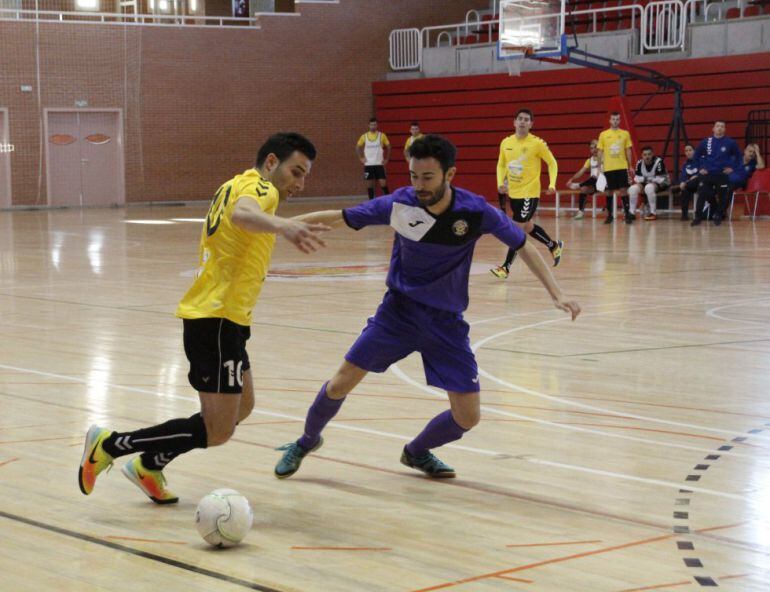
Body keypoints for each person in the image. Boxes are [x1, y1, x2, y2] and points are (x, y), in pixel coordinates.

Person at [273, 134, 581, 480]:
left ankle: (416, 452)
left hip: (446, 323)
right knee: (339, 384)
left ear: (450, 174)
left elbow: (523, 244)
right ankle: (306, 441)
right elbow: (340, 217)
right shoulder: (400, 204)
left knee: (468, 417)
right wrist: (278, 226)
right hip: (398, 314)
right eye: (414, 176)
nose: (419, 185)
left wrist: (556, 293)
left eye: (427, 177)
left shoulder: (475, 211)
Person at [78, 133, 329, 504]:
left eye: (305, 176)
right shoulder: (261, 189)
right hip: (216, 320)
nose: (300, 184)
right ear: (271, 162)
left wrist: (350, 217)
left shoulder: (236, 184)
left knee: (244, 405)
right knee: (219, 430)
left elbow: (252, 218)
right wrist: (283, 226)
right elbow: (243, 215)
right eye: (296, 172)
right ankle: (110, 444)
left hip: (227, 320)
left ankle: (150, 465)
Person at [490, 108, 563, 279]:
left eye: (526, 119)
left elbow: (552, 163)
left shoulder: (537, 143)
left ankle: (505, 267)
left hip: (529, 193)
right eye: (520, 119)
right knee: (527, 226)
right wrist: (500, 183)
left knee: (516, 229)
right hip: (514, 193)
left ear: (531, 124)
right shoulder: (506, 142)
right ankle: (553, 246)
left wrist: (552, 183)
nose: (522, 122)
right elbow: (501, 164)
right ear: (514, 122)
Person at [691, 121, 741, 227]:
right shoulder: (706, 142)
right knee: (702, 194)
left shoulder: (730, 142)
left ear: (725, 129)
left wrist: (732, 168)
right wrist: (700, 168)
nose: (720, 128)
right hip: (707, 174)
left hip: (721, 174)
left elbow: (739, 157)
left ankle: (718, 215)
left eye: (722, 126)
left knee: (723, 196)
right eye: (717, 126)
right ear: (713, 129)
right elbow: (696, 156)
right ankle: (698, 217)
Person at [596, 112, 634, 224]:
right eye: (613, 119)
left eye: (617, 119)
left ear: (620, 120)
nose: (615, 121)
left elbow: (628, 150)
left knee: (623, 190)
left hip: (621, 167)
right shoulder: (603, 134)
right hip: (608, 168)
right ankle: (610, 216)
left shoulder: (625, 134)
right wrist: (599, 167)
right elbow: (600, 151)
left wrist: (630, 165)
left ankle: (627, 214)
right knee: (608, 192)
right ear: (610, 120)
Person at [628, 146, 669, 221]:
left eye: (649, 154)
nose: (647, 157)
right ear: (642, 155)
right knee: (632, 189)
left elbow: (660, 179)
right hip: (647, 183)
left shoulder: (659, 162)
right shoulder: (639, 163)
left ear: (652, 154)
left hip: (662, 184)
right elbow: (636, 178)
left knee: (649, 187)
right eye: (645, 155)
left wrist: (645, 179)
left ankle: (653, 213)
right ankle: (631, 213)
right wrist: (648, 179)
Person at [356, 117, 391, 200]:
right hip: (368, 164)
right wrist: (361, 158)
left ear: (377, 125)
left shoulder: (382, 135)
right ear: (369, 125)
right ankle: (371, 201)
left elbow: (389, 147)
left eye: (375, 124)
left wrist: (386, 159)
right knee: (369, 184)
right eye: (371, 125)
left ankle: (389, 200)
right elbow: (357, 147)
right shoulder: (364, 136)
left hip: (379, 164)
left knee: (383, 183)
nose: (373, 126)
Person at [566, 139, 600, 220]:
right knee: (584, 189)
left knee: (595, 177)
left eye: (595, 147)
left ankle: (578, 185)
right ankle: (580, 212)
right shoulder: (589, 160)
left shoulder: (603, 158)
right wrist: (571, 179)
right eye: (592, 148)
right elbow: (581, 171)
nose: (594, 150)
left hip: (604, 184)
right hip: (594, 184)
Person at [677, 144, 699, 221]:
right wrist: (682, 182)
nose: (688, 152)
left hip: (700, 183)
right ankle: (684, 215)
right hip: (690, 184)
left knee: (688, 185)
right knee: (685, 190)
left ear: (694, 151)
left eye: (690, 150)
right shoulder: (685, 164)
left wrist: (696, 176)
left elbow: (704, 172)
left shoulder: (700, 160)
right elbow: (683, 176)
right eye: (686, 151)